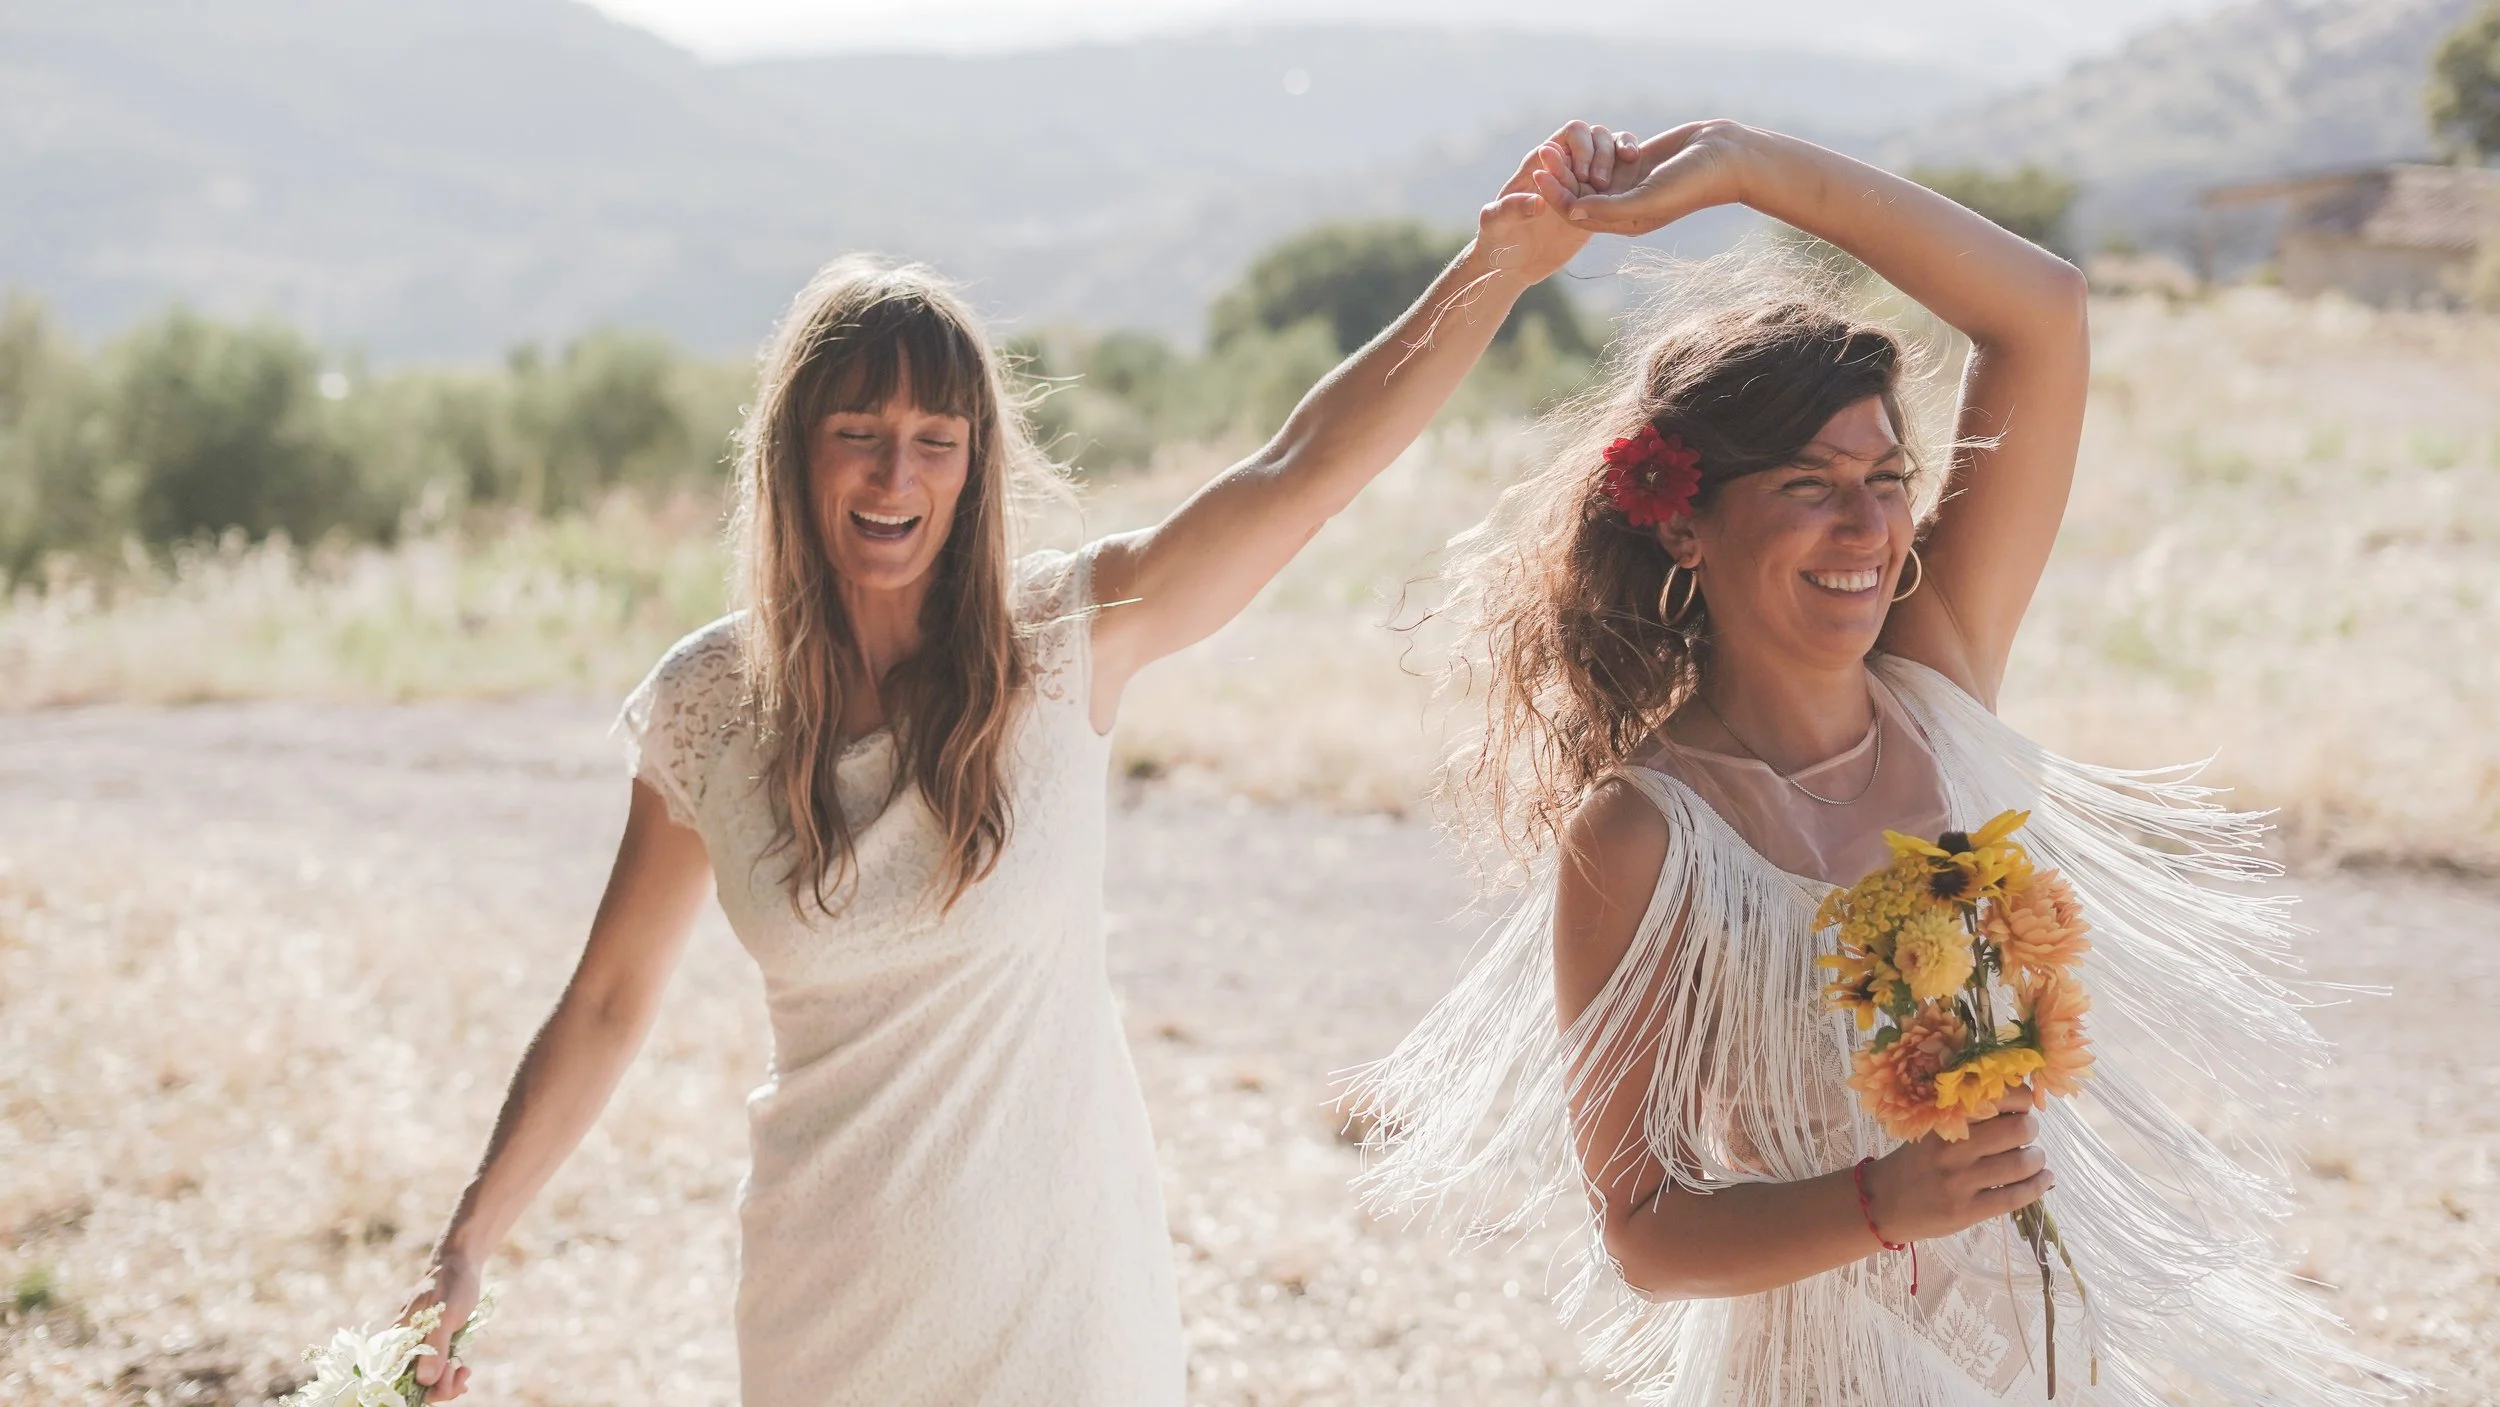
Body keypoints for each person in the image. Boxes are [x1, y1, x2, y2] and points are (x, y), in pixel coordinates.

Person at [394, 124, 1644, 1404]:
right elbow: (607, 1001)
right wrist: (466, 1243)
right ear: (792, 453)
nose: (897, 472)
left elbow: (1300, 470)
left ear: (977, 463)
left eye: (937, 437)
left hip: (1057, 1303)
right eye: (858, 432)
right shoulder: (710, 704)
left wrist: (1497, 266)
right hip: (824, 1303)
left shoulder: (1063, 641)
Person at [1352, 121, 2404, 1404]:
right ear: (1682, 517)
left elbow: (2044, 314)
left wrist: (1743, 167)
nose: (1866, 525)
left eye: (1887, 476)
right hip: (1815, 1374)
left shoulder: (1936, 684)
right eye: (1809, 482)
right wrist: (1880, 1202)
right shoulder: (1643, 835)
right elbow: (1639, 1229)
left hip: (2040, 1355)